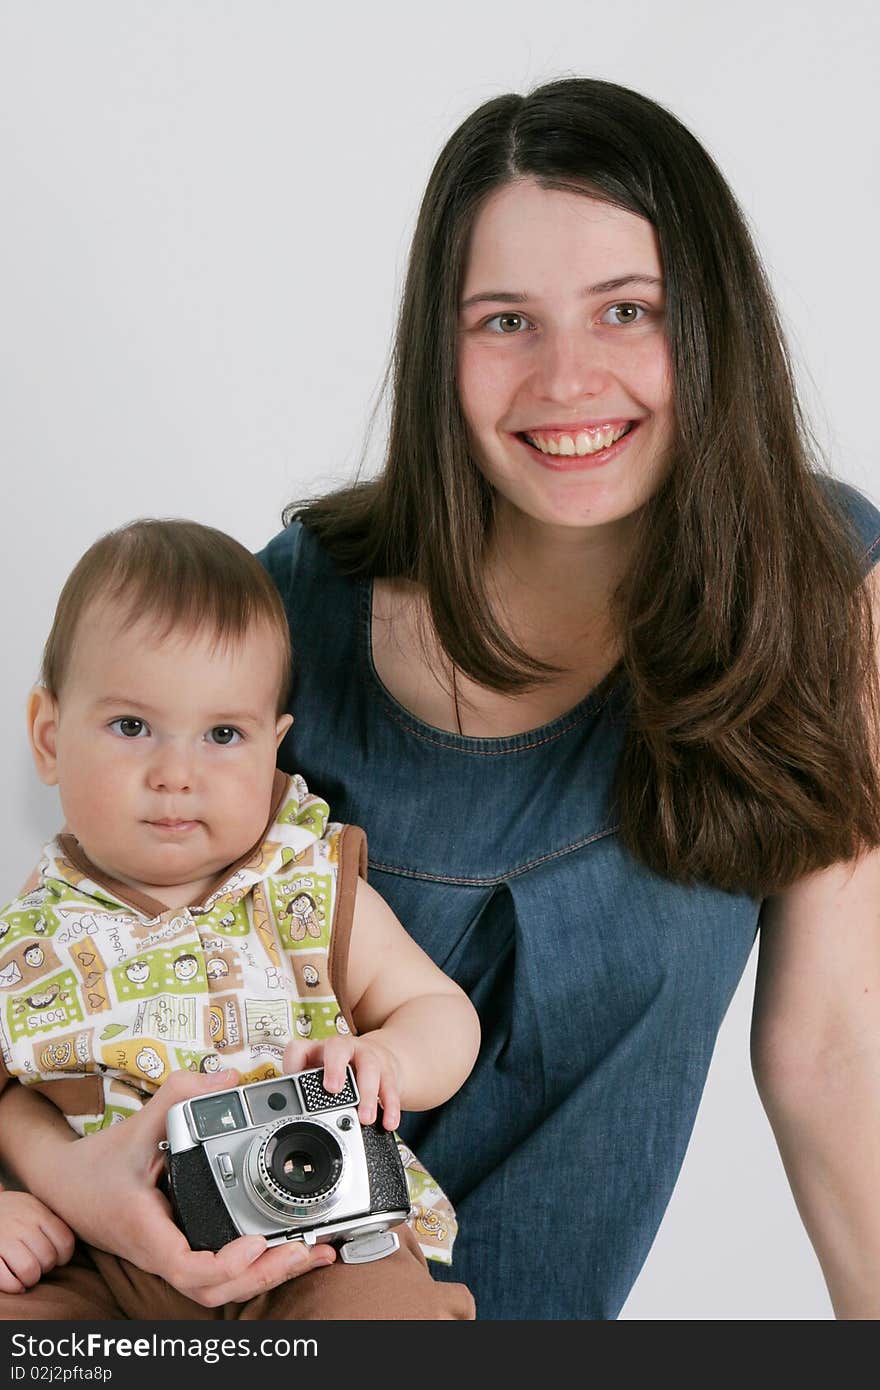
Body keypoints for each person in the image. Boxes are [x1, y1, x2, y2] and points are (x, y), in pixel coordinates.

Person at [247, 79, 880, 1319]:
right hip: (236, 1316)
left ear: (709, 324)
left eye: (626, 309)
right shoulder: (289, 612)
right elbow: (108, 957)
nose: (567, 378)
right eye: (503, 322)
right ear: (441, 344)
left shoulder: (822, 585)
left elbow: (832, 1049)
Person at [0, 519, 478, 1320]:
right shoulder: (25, 939)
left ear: (273, 748)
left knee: (380, 1313)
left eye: (223, 735)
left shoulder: (304, 883)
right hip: (97, 1254)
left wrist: (385, 1056)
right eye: (131, 727)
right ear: (50, 739)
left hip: (317, 1230)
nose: (176, 775)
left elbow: (441, 1011)